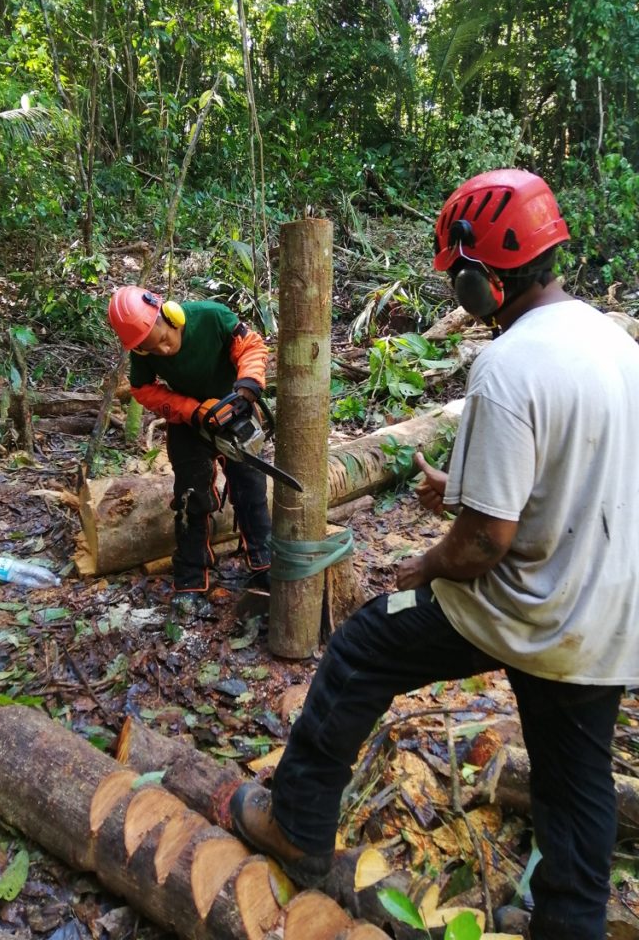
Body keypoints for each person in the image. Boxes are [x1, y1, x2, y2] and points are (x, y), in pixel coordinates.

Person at [230, 168, 639, 940]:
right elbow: (572, 472)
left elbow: (486, 541)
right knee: (575, 785)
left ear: (486, 282)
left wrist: (428, 565)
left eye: (460, 278)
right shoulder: (609, 341)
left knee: (362, 645)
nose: (460, 293)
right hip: (609, 615)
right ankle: (568, 921)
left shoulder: (508, 368)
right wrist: (462, 485)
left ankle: (298, 823)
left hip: (531, 603)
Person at [108, 286, 271, 609]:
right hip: (191, 421)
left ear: (170, 315)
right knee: (189, 498)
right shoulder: (145, 353)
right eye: (154, 349)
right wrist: (192, 410)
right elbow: (143, 390)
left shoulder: (211, 317)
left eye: (165, 339)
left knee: (250, 488)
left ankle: (266, 565)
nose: (164, 350)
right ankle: (191, 580)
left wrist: (248, 385)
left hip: (234, 406)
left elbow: (251, 345)